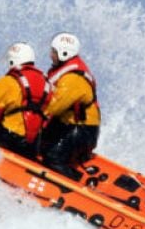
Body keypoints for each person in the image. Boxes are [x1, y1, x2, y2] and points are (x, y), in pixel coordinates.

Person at [41, 32, 100, 180]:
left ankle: (71, 184)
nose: (50, 55)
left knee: (53, 157)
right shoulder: (64, 71)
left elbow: (54, 107)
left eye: (54, 52)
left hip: (81, 131)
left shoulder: (73, 79)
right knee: (37, 143)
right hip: (66, 124)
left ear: (64, 53)